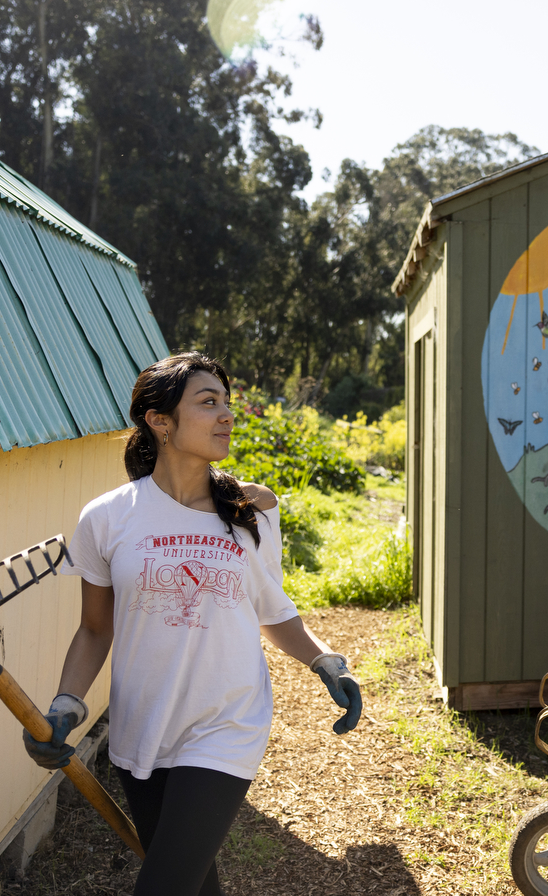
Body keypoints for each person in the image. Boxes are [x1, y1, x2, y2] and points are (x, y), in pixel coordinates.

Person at [22, 352, 362, 896]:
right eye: (209, 403)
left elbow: (272, 610)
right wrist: (66, 705)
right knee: (191, 883)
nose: (227, 415)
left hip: (226, 725)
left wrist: (325, 660)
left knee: (161, 887)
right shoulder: (107, 517)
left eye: (227, 403)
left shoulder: (250, 514)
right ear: (160, 420)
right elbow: (94, 629)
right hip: (143, 727)